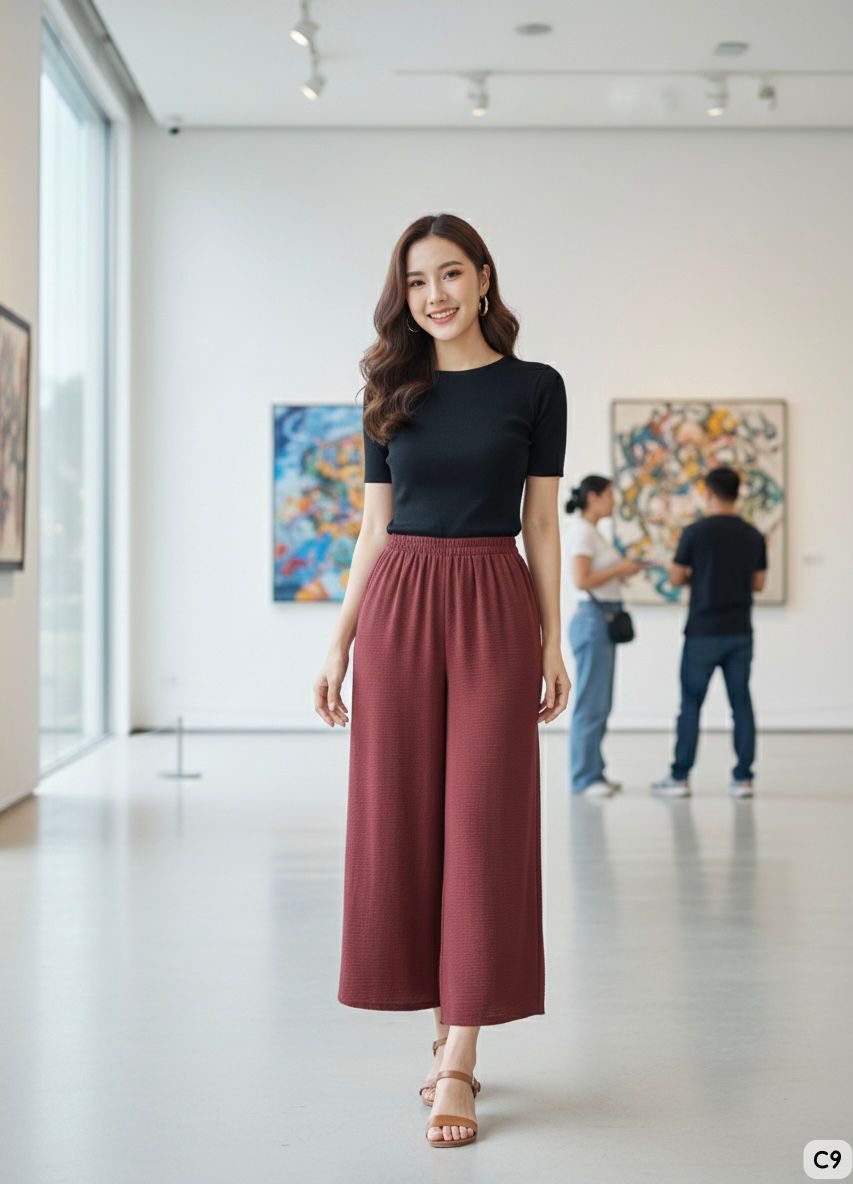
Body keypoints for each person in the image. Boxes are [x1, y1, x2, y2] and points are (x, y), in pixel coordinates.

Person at [313, 213, 570, 1149]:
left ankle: (459, 1056)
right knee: (404, 818)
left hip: (496, 597)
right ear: (405, 294)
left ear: (485, 277)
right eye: (418, 281)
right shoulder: (389, 388)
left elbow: (541, 524)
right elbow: (371, 528)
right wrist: (340, 642)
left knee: (485, 820)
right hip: (399, 602)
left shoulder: (536, 388)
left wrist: (551, 640)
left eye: (451, 274)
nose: (436, 295)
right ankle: (439, 1029)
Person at [651, 466, 767, 800]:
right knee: (740, 704)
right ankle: (743, 779)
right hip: (739, 631)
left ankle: (680, 777)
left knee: (690, 705)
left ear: (709, 493)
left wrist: (696, 577)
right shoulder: (753, 535)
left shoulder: (695, 532)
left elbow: (674, 578)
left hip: (702, 631)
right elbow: (758, 583)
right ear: (737, 493)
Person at [565, 476, 642, 797]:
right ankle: (584, 777)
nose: (614, 501)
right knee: (590, 703)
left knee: (601, 701)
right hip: (593, 621)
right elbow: (581, 579)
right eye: (610, 495)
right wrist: (621, 569)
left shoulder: (594, 533)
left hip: (602, 619)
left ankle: (594, 771)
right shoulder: (583, 533)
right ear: (593, 497)